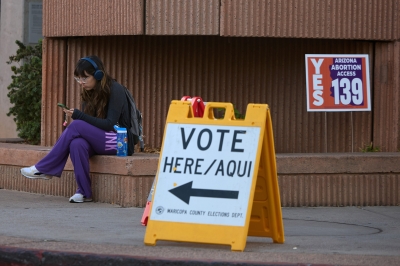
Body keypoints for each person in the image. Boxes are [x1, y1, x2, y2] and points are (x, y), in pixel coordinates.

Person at [20, 55, 133, 203]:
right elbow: (91, 123)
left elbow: (109, 124)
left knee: (77, 125)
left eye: (85, 78)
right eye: (78, 78)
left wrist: (79, 118)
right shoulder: (89, 92)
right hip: (102, 140)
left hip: (120, 142)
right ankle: (84, 192)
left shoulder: (115, 89)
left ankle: (45, 168)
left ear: (98, 75)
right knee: (77, 144)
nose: (81, 82)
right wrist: (76, 121)